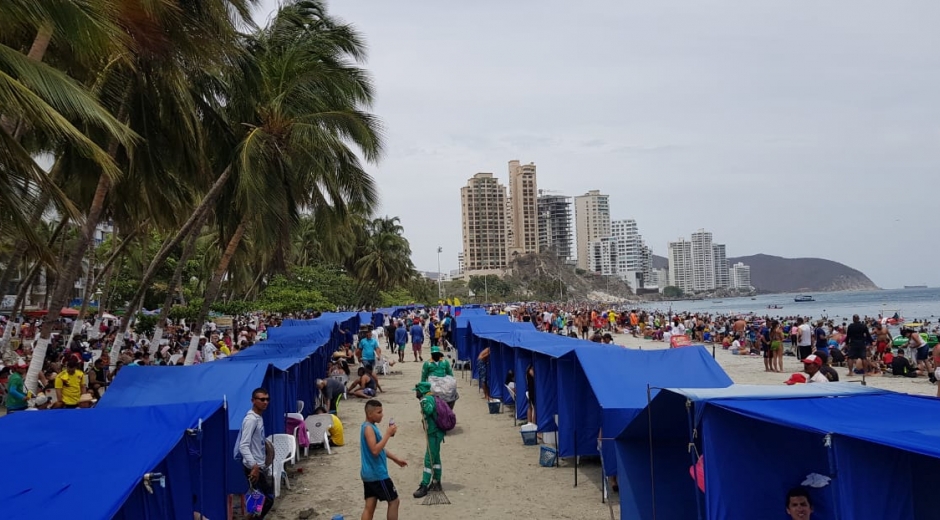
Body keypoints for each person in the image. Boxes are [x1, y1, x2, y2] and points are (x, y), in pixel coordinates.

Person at [360, 399, 406, 520]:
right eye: (379, 412)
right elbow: (375, 450)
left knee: (369, 507)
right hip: (377, 474)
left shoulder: (368, 427)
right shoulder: (369, 428)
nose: (382, 415)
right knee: (394, 501)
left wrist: (395, 459)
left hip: (368, 473)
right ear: (370, 414)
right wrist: (387, 434)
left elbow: (380, 449)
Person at [236, 388, 274, 519]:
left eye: (267, 399)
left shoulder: (258, 417)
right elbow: (243, 445)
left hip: (259, 465)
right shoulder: (251, 420)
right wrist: (254, 466)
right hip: (253, 467)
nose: (265, 402)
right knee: (267, 499)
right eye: (262, 399)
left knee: (256, 501)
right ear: (253, 401)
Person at [412, 381, 445, 499]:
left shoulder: (426, 400)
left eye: (416, 391)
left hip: (434, 433)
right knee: (435, 458)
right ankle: (436, 481)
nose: (415, 393)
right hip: (436, 432)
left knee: (428, 459)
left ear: (421, 391)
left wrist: (423, 403)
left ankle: (424, 485)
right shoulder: (432, 398)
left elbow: (429, 410)